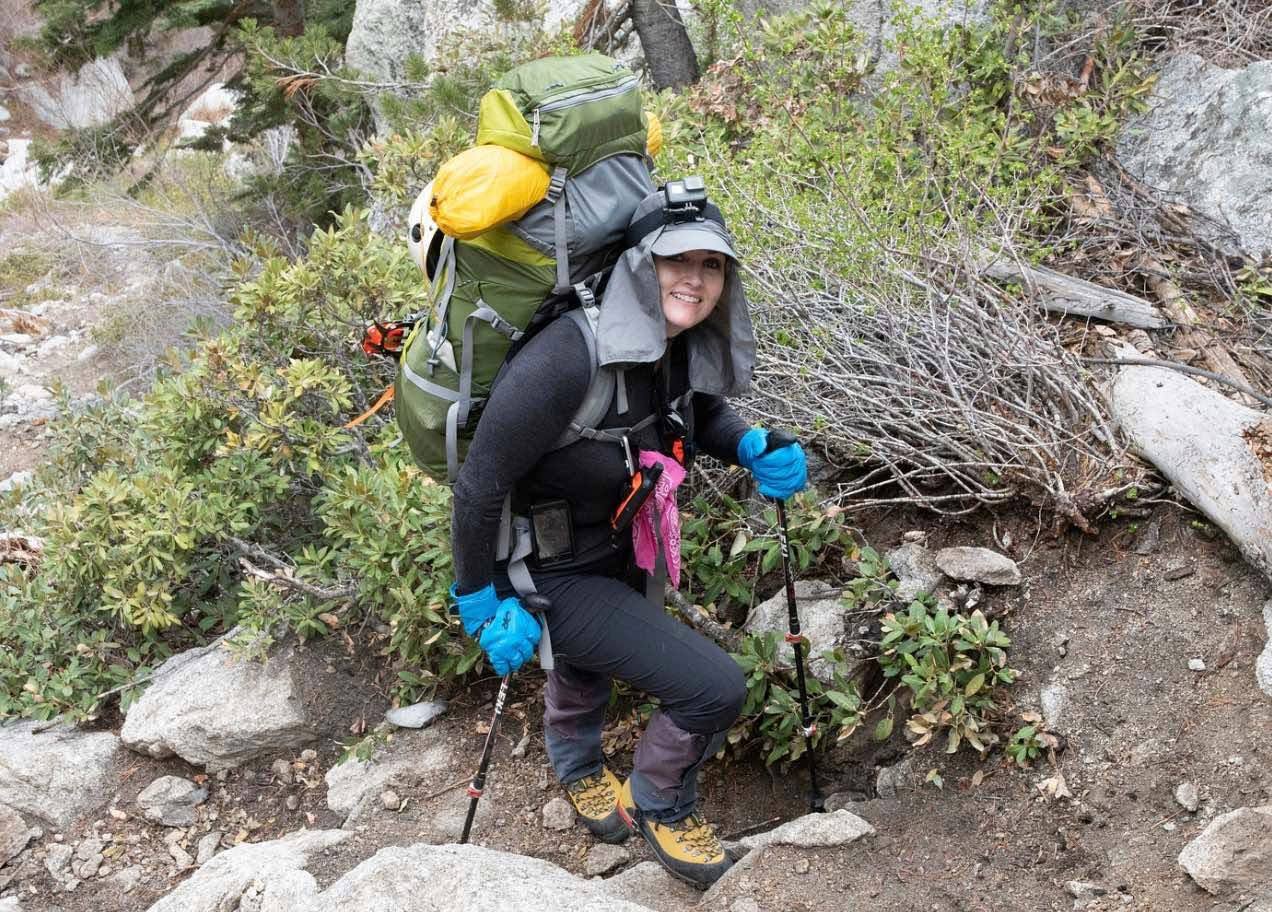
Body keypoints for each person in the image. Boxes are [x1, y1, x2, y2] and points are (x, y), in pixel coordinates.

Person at [447, 179, 808, 888]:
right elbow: (479, 483)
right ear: (640, 265)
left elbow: (690, 411)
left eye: (711, 266)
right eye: (678, 262)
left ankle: (579, 764)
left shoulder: (668, 340)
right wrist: (481, 600)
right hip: (550, 572)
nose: (695, 280)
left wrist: (747, 443)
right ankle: (662, 804)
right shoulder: (566, 357)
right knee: (715, 688)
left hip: (617, 541)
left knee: (589, 662)